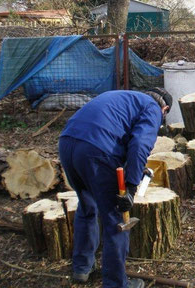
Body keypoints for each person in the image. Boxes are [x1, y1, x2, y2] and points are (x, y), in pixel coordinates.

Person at [58, 88, 172, 288]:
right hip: (96, 151)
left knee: (87, 206)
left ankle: (82, 268)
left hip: (68, 143)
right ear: (165, 108)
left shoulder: (126, 98)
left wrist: (132, 169)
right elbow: (139, 145)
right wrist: (131, 187)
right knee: (117, 220)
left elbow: (117, 133)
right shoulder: (153, 109)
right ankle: (116, 284)